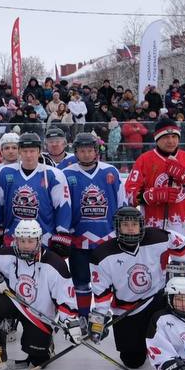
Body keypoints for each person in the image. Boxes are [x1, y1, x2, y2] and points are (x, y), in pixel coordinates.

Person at [90, 206, 185, 368]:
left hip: (156, 302)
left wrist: (177, 273)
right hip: (126, 310)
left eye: (134, 224)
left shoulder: (156, 238)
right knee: (132, 361)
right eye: (125, 224)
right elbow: (102, 293)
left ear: (141, 226)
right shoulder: (102, 255)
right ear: (117, 227)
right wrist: (98, 320)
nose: (130, 228)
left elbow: (181, 242)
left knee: (172, 350)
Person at [0, 220, 79, 370]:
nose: (25, 245)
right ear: (15, 240)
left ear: (39, 240)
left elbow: (66, 299)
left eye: (30, 241)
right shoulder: (9, 253)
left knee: (39, 359)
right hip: (15, 302)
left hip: (39, 315)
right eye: (21, 241)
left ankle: (47, 344)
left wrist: (69, 321)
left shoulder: (55, 264)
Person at [124, 117, 185, 278]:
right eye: (165, 137)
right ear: (157, 139)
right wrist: (151, 195)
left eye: (174, 136)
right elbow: (129, 196)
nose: (171, 141)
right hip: (156, 230)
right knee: (156, 275)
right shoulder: (144, 160)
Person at [62, 132, 127, 320]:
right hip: (78, 241)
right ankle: (83, 316)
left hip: (107, 240)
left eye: (90, 150)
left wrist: (120, 231)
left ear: (96, 151)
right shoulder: (67, 173)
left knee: (107, 282)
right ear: (76, 152)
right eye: (82, 151)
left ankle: (101, 316)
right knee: (81, 282)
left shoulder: (110, 172)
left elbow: (122, 202)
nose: (86, 154)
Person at [0, 132, 73, 253]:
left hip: (44, 238)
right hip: (12, 237)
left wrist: (62, 233)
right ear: (19, 152)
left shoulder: (54, 174)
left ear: (39, 151)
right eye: (25, 151)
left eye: (32, 151)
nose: (28, 155)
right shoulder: (4, 172)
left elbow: (63, 206)